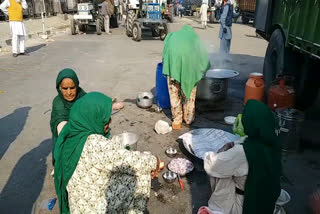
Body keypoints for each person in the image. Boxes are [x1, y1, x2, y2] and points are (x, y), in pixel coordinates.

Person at [54, 92, 161, 213]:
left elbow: (107, 154)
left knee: (123, 169)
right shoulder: (93, 143)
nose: (109, 121)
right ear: (92, 117)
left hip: (80, 205)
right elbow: (131, 161)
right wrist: (154, 161)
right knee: (140, 175)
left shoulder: (72, 135)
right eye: (104, 118)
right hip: (94, 209)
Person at [203, 100, 282, 214]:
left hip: (246, 206)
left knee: (220, 170)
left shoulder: (242, 152)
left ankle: (218, 208)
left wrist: (222, 150)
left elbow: (211, 165)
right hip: (266, 203)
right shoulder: (273, 144)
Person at [50, 68, 123, 165]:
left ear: (77, 85)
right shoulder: (58, 103)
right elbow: (63, 130)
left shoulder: (81, 95)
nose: (69, 92)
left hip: (85, 136)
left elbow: (93, 106)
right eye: (65, 88)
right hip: (68, 139)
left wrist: (109, 107)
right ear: (59, 88)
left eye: (72, 88)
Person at [162, 25, 210, 130]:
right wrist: (204, 69)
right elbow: (203, 58)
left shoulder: (172, 36)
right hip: (189, 72)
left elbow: (165, 54)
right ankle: (188, 118)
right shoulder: (194, 38)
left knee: (174, 95)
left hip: (173, 70)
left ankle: (177, 121)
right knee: (189, 96)